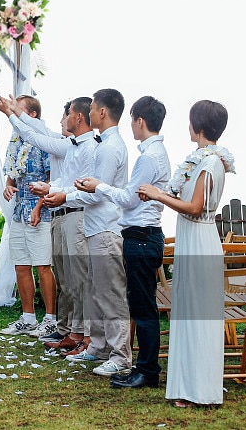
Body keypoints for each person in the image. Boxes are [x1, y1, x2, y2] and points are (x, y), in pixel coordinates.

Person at [137, 100, 233, 408]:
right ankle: (189, 385)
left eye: (191, 122)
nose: (187, 127)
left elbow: (195, 208)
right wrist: (162, 193)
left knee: (199, 317)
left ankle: (201, 390)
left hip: (201, 238)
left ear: (199, 127)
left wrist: (158, 195)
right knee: (189, 315)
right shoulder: (201, 159)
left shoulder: (212, 162)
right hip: (193, 238)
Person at [0, 95, 96, 355]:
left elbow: (37, 136)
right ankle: (71, 331)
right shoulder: (69, 143)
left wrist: (11, 114)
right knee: (67, 279)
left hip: (71, 212)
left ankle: (83, 336)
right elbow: (35, 134)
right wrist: (12, 115)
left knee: (75, 279)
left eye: (66, 114)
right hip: (53, 211)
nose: (63, 119)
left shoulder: (85, 146)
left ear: (78, 117)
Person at [76, 96, 171, 389]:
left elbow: (129, 198)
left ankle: (146, 370)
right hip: (143, 235)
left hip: (142, 237)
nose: (131, 125)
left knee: (142, 309)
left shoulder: (148, 157)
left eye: (132, 120)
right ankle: (144, 368)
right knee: (142, 307)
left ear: (139, 121)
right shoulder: (157, 153)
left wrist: (100, 187)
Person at [56, 89, 130, 378]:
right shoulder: (103, 145)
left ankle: (121, 355)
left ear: (101, 112)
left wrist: (66, 198)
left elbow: (99, 194)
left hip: (106, 227)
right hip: (95, 226)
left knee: (111, 295)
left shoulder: (110, 147)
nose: (89, 114)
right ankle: (98, 346)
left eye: (93, 108)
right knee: (97, 292)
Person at [0, 96, 57, 338]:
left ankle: (51, 319)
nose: (13, 113)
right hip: (19, 212)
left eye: (17, 110)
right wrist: (8, 186)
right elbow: (12, 174)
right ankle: (28, 317)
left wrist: (38, 206)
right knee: (21, 265)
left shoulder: (44, 142)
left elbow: (53, 180)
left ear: (31, 115)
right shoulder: (15, 142)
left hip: (39, 213)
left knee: (43, 265)